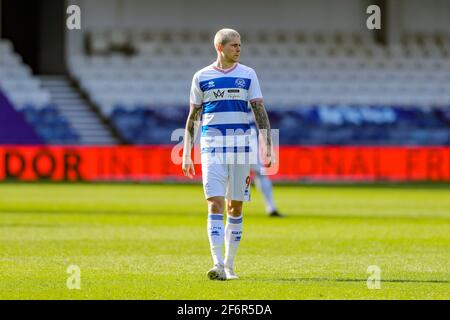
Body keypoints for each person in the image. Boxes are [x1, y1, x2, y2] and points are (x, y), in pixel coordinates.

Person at [182, 28, 273, 280]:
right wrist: (187, 152)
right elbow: (194, 115)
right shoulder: (201, 77)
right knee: (214, 202)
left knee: (235, 206)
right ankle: (217, 263)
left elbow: (259, 110)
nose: (239, 49)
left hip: (241, 150)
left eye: (240, 44)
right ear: (220, 48)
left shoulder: (248, 74)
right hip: (211, 149)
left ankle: (230, 265)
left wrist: (268, 145)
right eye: (234, 45)